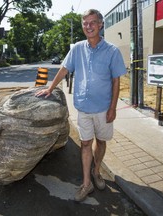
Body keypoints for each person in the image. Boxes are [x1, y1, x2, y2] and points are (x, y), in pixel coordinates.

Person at [36, 9, 127, 202]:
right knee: (85, 143)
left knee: (101, 141)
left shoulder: (112, 51)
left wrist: (113, 108)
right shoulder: (77, 48)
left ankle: (96, 171)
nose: (88, 26)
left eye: (92, 22)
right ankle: (87, 184)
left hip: (103, 108)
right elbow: (64, 69)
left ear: (101, 24)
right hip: (83, 108)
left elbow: (116, 82)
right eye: (85, 23)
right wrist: (50, 88)